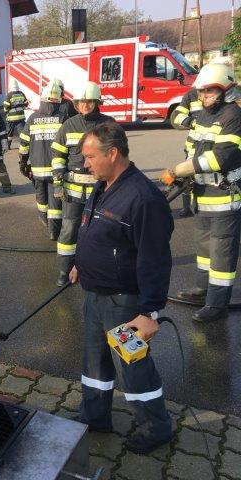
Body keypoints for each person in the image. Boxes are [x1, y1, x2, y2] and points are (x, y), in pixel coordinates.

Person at [70, 122, 174, 455]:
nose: (85, 164)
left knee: (133, 367)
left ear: (113, 153)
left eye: (90, 157)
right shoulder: (103, 185)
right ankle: (95, 416)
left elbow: (155, 259)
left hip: (125, 304)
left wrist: (149, 311)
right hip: (95, 296)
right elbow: (95, 232)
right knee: (94, 361)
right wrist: (80, 264)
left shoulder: (143, 198)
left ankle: (156, 427)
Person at [168, 63, 241, 322]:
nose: (203, 96)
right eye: (201, 91)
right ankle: (202, 290)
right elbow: (193, 148)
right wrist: (185, 172)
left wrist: (181, 169)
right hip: (202, 194)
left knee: (221, 253)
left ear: (226, 90)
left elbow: (221, 157)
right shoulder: (203, 116)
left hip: (224, 197)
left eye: (209, 91)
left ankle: (217, 305)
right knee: (203, 249)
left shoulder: (234, 116)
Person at [51, 81, 116, 286]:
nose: (84, 105)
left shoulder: (109, 124)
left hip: (101, 190)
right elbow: (57, 157)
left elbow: (117, 156)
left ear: (97, 102)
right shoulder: (68, 125)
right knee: (69, 229)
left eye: (88, 101)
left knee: (102, 230)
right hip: (73, 191)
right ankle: (65, 271)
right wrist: (57, 183)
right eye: (80, 102)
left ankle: (98, 270)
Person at [19, 79, 69, 240]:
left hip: (37, 170)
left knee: (41, 198)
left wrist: (23, 163)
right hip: (57, 170)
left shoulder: (32, 118)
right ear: (58, 100)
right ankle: (54, 232)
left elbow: (24, 144)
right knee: (55, 201)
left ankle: (44, 220)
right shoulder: (63, 119)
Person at [170, 88, 203, 217]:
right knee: (186, 179)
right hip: (193, 148)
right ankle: (186, 207)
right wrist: (191, 121)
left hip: (215, 148)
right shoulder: (191, 94)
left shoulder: (229, 94)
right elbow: (176, 116)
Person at [3, 80, 28, 148]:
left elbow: (6, 106)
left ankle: (8, 146)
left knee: (10, 133)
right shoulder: (21, 93)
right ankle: (24, 146)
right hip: (20, 117)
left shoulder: (9, 95)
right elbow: (26, 103)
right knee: (22, 133)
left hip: (11, 118)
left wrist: (6, 111)